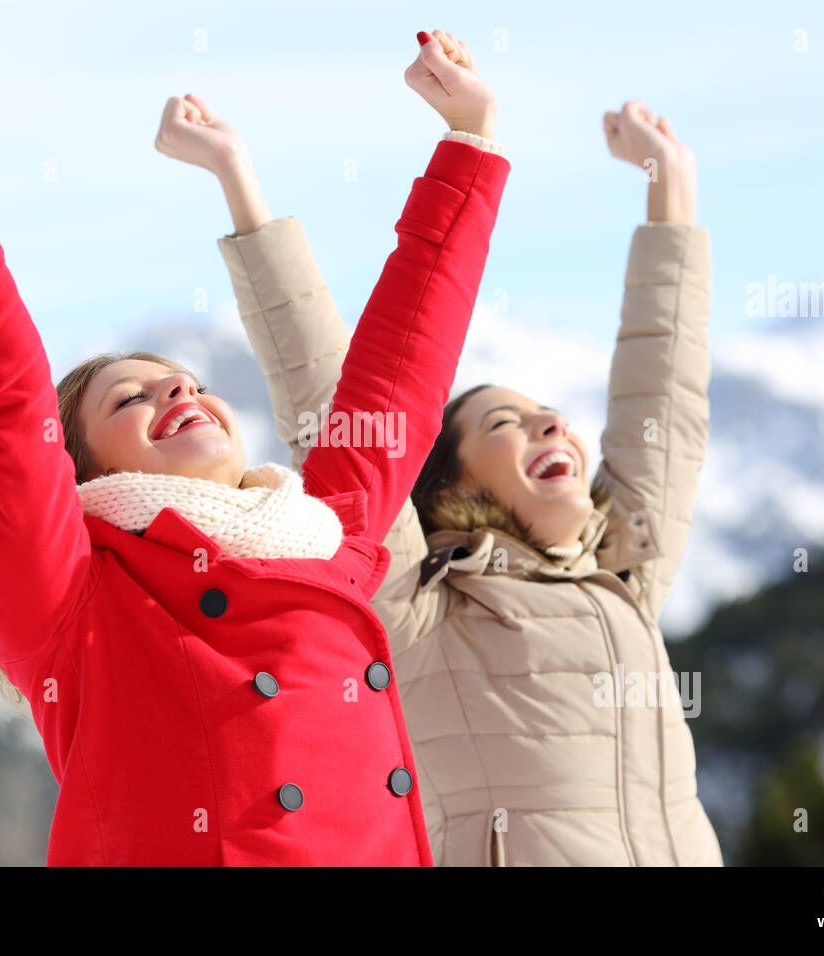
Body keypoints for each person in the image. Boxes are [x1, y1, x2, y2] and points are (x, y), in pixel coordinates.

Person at [0, 2, 510, 865]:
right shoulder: (74, 598)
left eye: (184, 381)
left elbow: (404, 369)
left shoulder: (323, 537)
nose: (177, 390)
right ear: (79, 473)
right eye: (130, 400)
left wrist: (471, 140)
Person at [162, 32, 721, 865]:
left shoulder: (625, 573)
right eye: (504, 423)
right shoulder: (422, 612)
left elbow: (664, 400)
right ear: (452, 487)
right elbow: (333, 402)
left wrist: (669, 187)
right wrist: (236, 177)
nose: (549, 425)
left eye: (546, 415)